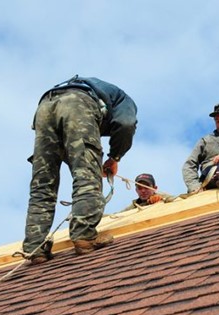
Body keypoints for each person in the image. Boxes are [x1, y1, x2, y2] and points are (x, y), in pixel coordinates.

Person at [23, 75, 137, 264]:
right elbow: (126, 124)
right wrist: (114, 157)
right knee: (87, 176)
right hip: (77, 104)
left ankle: (35, 248)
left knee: (43, 183)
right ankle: (84, 236)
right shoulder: (125, 101)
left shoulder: (96, 88)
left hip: (44, 107)